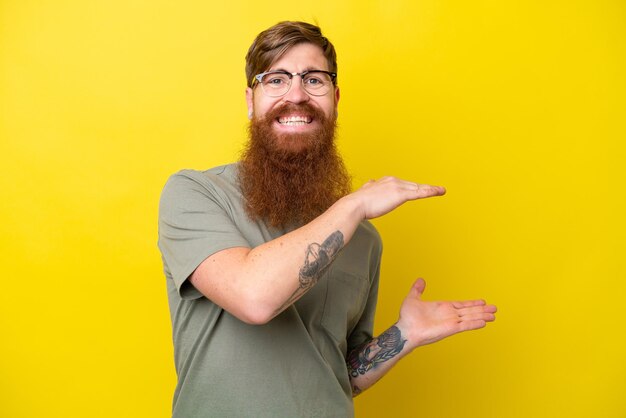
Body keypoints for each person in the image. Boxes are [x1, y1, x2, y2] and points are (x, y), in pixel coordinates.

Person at [158, 21, 497, 418]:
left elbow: (339, 373)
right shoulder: (195, 193)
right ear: (251, 100)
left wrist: (405, 335)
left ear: (335, 98)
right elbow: (254, 298)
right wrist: (354, 206)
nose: (297, 95)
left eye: (314, 80)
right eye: (277, 80)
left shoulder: (364, 238)